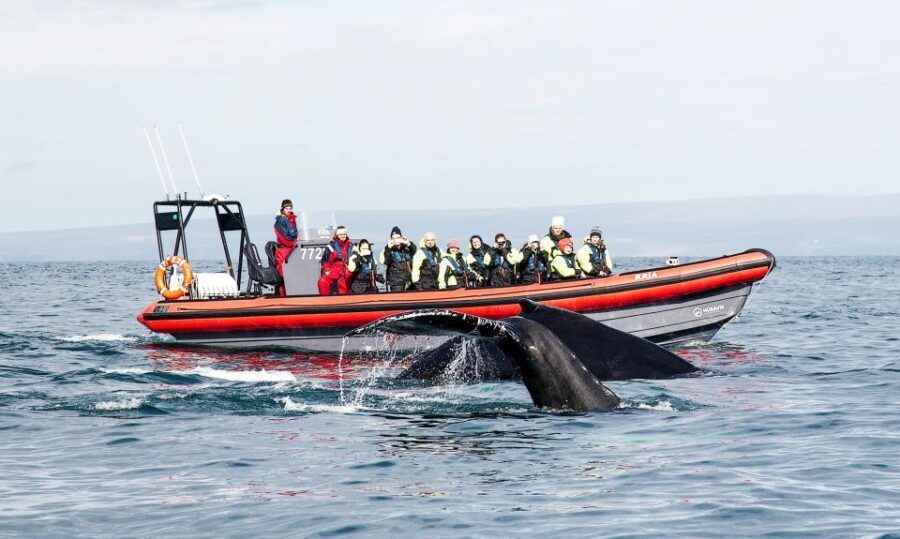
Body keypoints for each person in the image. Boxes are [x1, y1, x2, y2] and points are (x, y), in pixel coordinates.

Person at [379, 226, 417, 292]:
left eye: (398, 238)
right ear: (391, 239)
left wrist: (409, 243)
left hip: (409, 281)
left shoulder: (406, 248)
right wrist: (388, 249)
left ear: (401, 238)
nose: (395, 240)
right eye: (393, 238)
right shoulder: (387, 250)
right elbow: (385, 261)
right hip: (396, 283)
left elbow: (415, 252)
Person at [273, 199, 298, 295]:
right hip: (283, 251)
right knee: (283, 275)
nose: (288, 210)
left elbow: (295, 234)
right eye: (287, 208)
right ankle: (282, 296)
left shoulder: (292, 220)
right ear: (282, 209)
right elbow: (284, 238)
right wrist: (294, 243)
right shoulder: (279, 222)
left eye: (290, 208)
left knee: (292, 274)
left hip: (292, 251)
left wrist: (295, 243)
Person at [317, 225, 353, 295]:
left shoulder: (351, 246)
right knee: (322, 281)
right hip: (334, 270)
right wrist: (327, 270)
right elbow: (325, 260)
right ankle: (324, 300)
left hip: (347, 270)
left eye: (344, 234)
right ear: (337, 235)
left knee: (344, 288)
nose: (343, 236)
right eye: (341, 234)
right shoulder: (331, 247)